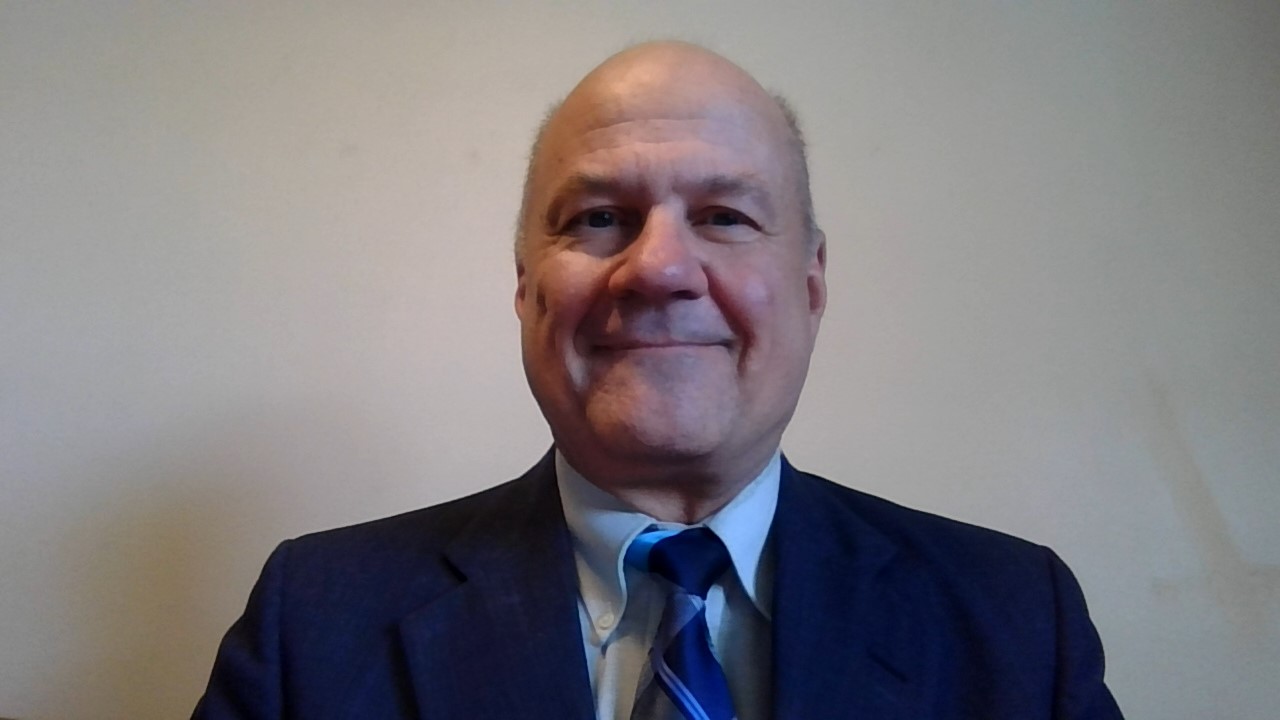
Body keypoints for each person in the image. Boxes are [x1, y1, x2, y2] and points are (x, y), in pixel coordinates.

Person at [193, 42, 1124, 719]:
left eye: (723, 216)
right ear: (525, 286)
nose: (659, 268)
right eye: (599, 218)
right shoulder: (314, 623)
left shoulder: (1015, 622)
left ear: (811, 284)